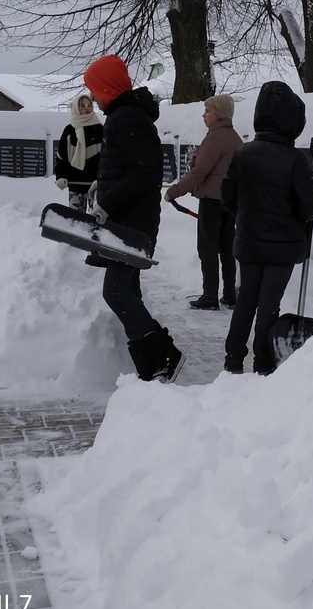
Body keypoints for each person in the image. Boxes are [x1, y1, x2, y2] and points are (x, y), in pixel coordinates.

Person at [83, 55, 184, 382]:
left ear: (108, 88)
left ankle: (164, 356)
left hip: (130, 224)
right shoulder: (125, 115)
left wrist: (107, 203)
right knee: (127, 291)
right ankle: (153, 363)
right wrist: (104, 185)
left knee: (116, 292)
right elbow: (130, 167)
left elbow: (144, 174)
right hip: (129, 221)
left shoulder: (126, 118)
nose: (94, 99)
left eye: (96, 91)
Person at [220, 81, 313, 375]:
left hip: (249, 241)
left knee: (246, 300)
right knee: (268, 305)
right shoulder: (296, 160)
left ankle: (232, 360)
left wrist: (248, 216)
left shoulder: (243, 153)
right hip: (283, 246)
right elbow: (309, 209)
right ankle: (263, 363)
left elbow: (228, 198)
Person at [164, 94, 242, 310]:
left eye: (207, 111)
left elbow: (200, 173)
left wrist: (174, 191)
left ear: (218, 114)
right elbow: (220, 167)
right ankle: (229, 295)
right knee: (227, 249)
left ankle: (210, 296)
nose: (203, 115)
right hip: (229, 202)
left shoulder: (215, 137)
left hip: (211, 201)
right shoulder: (235, 138)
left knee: (207, 249)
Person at [53, 92, 103, 210]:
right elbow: (61, 156)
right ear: (76, 107)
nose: (86, 108)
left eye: (88, 105)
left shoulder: (100, 129)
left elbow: (108, 155)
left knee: (95, 222)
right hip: (75, 183)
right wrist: (60, 176)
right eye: (82, 105)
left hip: (96, 184)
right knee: (76, 221)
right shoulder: (70, 130)